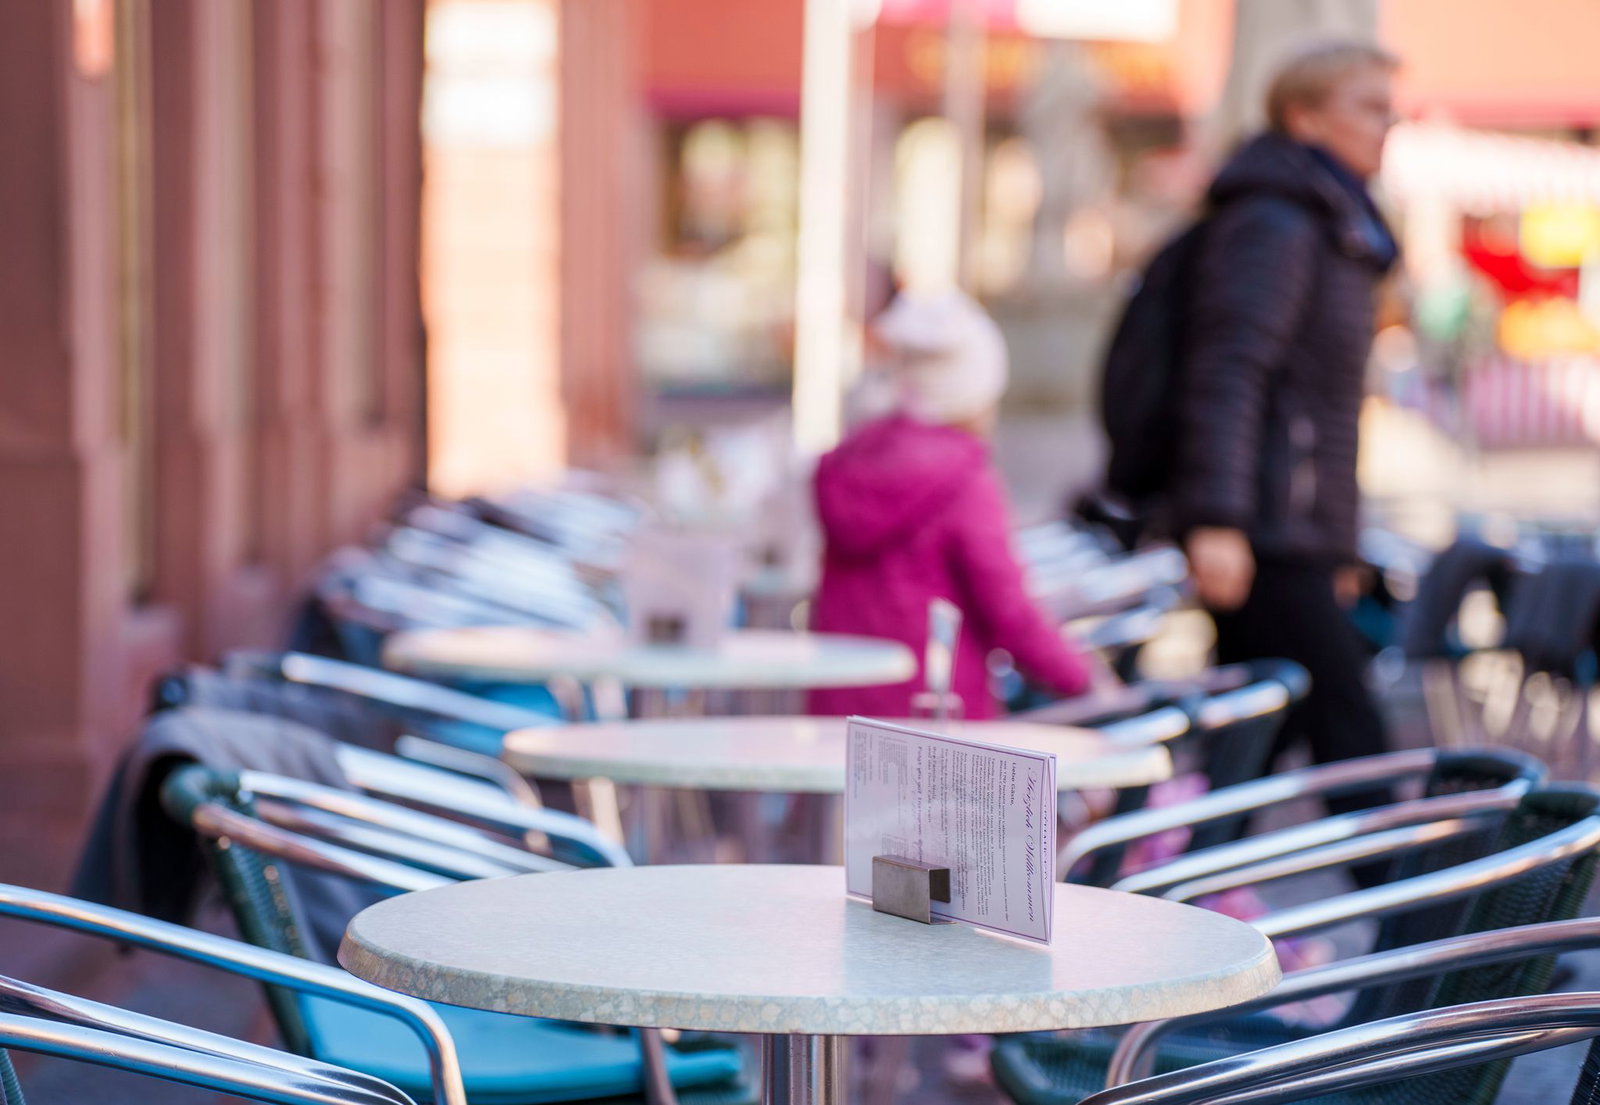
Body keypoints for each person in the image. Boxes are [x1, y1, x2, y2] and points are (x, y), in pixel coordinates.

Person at [1173, 41, 1401, 782]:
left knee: (1261, 740)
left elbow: (1327, 409)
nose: (1386, 123)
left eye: (1389, 107)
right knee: (1348, 738)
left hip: (1295, 531)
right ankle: (1429, 902)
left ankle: (1179, 877)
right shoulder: (1278, 220)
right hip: (1263, 532)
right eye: (1367, 106)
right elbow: (1229, 368)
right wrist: (1218, 519)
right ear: (1303, 116)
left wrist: (1339, 546)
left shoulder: (1335, 222)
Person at [808, 289, 1096, 720]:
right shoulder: (963, 480)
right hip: (937, 724)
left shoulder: (853, 460)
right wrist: (1084, 680)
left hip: (839, 712)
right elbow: (1010, 613)